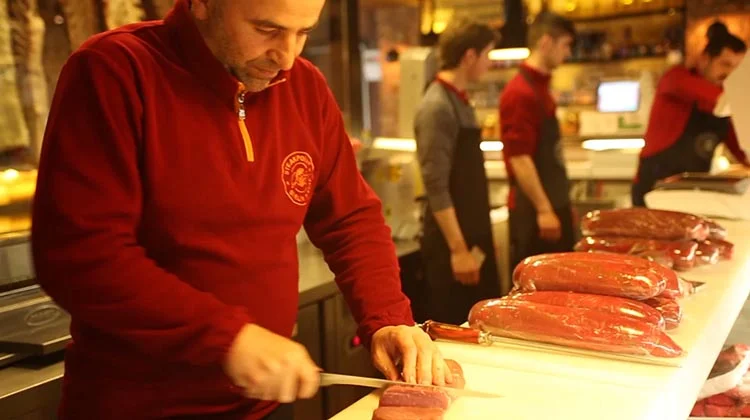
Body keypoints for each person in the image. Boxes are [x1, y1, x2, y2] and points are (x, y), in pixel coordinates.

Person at [30, 1, 452, 419]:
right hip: (137, 407)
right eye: (268, 30)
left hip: (261, 405)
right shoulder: (115, 70)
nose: (286, 57)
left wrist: (387, 318)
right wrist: (227, 338)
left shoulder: (304, 86)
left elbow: (350, 220)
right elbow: (82, 253)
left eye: (303, 33)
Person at [414, 18, 500, 325]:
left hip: (472, 235)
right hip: (451, 247)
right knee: (455, 330)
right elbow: (436, 186)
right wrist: (459, 250)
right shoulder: (436, 106)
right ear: (469, 56)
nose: (490, 63)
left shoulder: (459, 99)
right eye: (487, 54)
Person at [631, 21, 750, 207]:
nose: (730, 74)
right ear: (705, 60)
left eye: (737, 68)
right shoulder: (676, 78)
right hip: (654, 193)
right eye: (725, 64)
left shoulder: (726, 106)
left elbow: (743, 150)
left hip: (691, 196)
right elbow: (721, 101)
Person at [499, 12, 577, 273]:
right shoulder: (519, 92)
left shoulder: (540, 87)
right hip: (533, 214)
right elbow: (519, 158)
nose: (568, 53)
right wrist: (544, 210)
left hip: (552, 204)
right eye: (565, 45)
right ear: (546, 42)